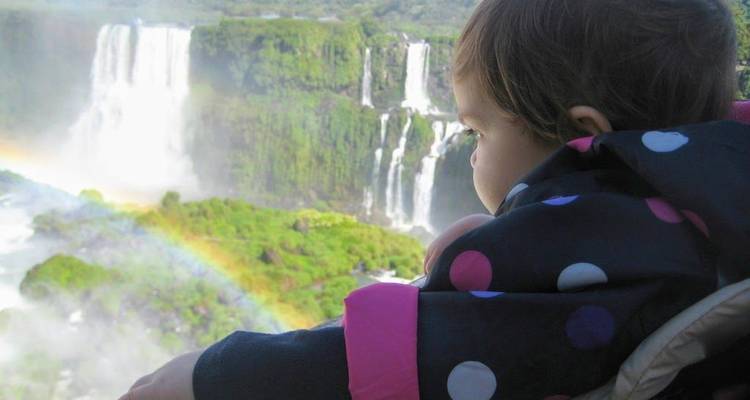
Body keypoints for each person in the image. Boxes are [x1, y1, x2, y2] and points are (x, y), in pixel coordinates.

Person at [120, 0, 749, 399]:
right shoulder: (689, 203)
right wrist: (526, 227)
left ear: (584, 135)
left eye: (479, 131)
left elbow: (429, 356)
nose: (469, 153)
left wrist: (219, 373)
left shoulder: (606, 260)